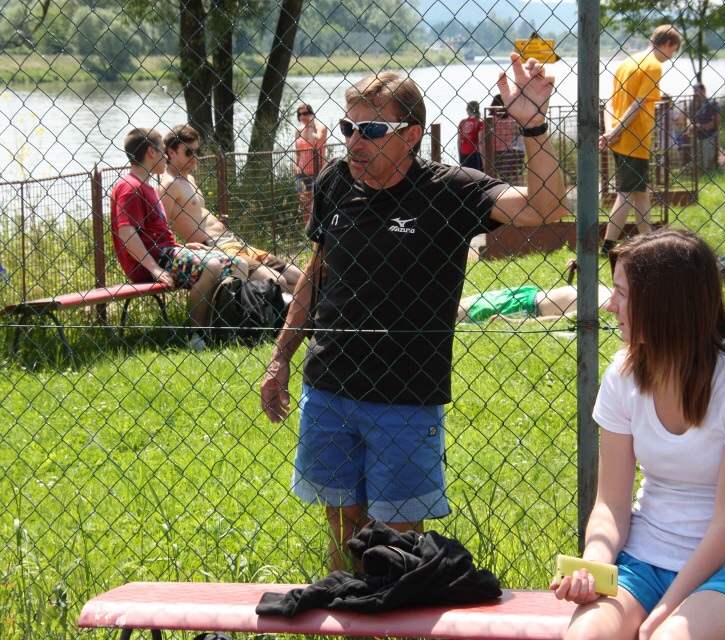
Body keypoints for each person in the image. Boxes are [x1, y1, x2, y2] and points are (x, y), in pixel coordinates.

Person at [260, 55, 569, 571]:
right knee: (343, 530)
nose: (354, 142)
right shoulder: (335, 181)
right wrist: (280, 357)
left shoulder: (449, 191)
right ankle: (345, 603)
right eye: (349, 128)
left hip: (404, 396)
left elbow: (545, 207)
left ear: (411, 135)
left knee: (397, 545)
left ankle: (394, 608)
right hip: (328, 384)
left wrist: (533, 125)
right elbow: (317, 271)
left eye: (371, 130)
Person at [552, 228, 725, 640]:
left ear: (666, 304)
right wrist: (594, 565)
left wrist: (664, 612)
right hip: (644, 563)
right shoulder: (623, 373)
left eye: (622, 294)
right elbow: (610, 504)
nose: (610, 305)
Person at [111, 127, 248, 351]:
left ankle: (228, 330)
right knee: (211, 265)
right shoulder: (129, 187)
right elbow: (127, 234)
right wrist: (155, 269)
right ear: (151, 152)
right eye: (162, 150)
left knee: (239, 264)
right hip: (150, 264)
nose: (166, 156)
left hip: (166, 254)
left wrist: (181, 247)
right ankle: (197, 336)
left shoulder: (147, 187)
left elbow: (155, 236)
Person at [158, 124, 303, 294]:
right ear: (171, 152)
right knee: (279, 283)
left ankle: (304, 305)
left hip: (233, 241)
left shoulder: (189, 179)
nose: (194, 157)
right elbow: (160, 228)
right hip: (215, 247)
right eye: (188, 152)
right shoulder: (169, 185)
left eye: (196, 151)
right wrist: (182, 248)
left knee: (302, 278)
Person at [600, 25, 682, 255]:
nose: (671, 57)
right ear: (667, 44)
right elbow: (638, 104)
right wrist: (615, 132)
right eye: (673, 51)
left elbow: (609, 103)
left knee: (641, 194)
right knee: (626, 194)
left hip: (620, 137)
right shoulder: (653, 66)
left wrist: (611, 131)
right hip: (634, 139)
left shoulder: (627, 63)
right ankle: (607, 247)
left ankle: (649, 242)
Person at [457, 261, 610, 323]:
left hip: (527, 308)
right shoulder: (613, 291)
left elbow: (563, 319)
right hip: (529, 293)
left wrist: (514, 322)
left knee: (457, 314)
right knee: (457, 301)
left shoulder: (606, 305)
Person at [486, 93, 526, 184]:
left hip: (494, 151)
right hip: (508, 149)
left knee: (495, 177)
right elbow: (515, 132)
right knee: (509, 176)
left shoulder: (491, 119)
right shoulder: (510, 118)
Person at [688, 83, 721, 174]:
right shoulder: (693, 104)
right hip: (697, 136)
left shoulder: (712, 103)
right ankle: (700, 174)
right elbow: (689, 117)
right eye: (694, 91)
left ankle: (709, 173)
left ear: (703, 91)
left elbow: (717, 120)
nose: (695, 93)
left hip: (710, 135)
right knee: (696, 159)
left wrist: (702, 127)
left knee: (707, 160)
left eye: (697, 91)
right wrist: (690, 125)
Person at [295, 103, 328, 192]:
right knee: (302, 197)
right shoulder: (298, 131)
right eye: (299, 114)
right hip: (301, 171)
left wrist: (310, 125)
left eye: (305, 113)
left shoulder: (321, 128)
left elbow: (313, 143)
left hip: (317, 170)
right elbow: (297, 152)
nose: (302, 116)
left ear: (311, 114)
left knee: (315, 196)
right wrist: (296, 166)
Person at [457, 100, 485, 171]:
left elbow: (459, 141)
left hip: (464, 153)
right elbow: (480, 143)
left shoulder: (462, 122)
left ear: (469, 110)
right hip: (475, 154)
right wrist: (483, 160)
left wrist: (460, 155)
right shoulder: (480, 123)